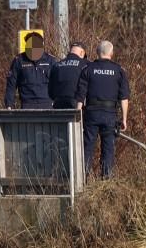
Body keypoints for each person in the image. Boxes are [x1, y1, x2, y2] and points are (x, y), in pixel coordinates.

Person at [75, 40, 130, 177]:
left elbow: (81, 96)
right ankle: (107, 178)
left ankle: (83, 179)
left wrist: (77, 115)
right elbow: (124, 97)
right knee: (108, 148)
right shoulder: (119, 71)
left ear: (97, 52)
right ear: (111, 53)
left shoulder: (88, 69)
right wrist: (124, 119)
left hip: (91, 114)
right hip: (110, 114)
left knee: (87, 147)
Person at [4, 32, 54, 109]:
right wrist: (9, 105)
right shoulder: (19, 60)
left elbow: (58, 84)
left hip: (47, 104)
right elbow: (11, 84)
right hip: (27, 104)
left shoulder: (50, 60)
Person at [50, 41, 87, 109]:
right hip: (76, 103)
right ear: (82, 53)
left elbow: (50, 88)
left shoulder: (57, 65)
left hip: (58, 103)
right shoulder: (84, 65)